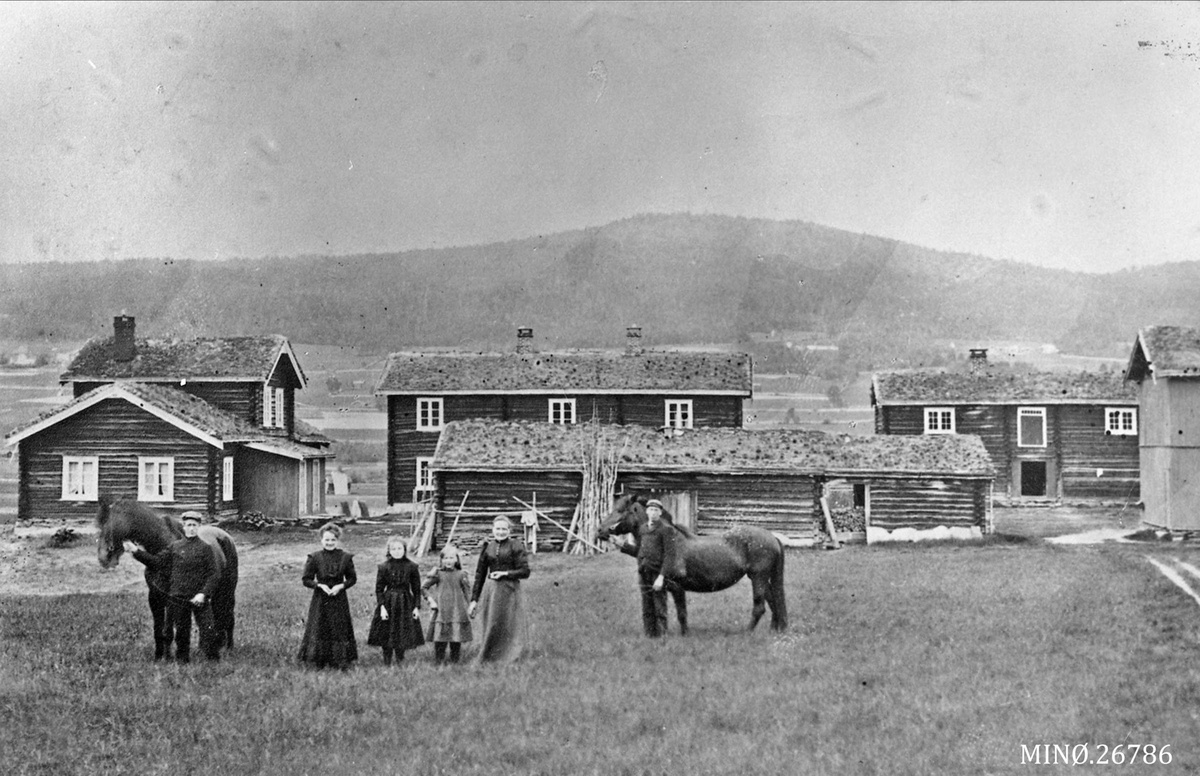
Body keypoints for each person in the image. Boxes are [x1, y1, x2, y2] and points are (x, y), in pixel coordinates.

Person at [131, 511, 221, 663]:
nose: (191, 529)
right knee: (181, 633)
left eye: (194, 525)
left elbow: (214, 574)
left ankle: (213, 663)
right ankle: (182, 662)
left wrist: (203, 594)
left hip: (199, 597)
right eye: (188, 525)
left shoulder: (206, 548)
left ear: (198, 527)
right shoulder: (175, 547)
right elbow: (157, 562)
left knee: (208, 631)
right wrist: (136, 552)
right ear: (184, 528)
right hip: (178, 597)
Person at [469, 515, 531, 663]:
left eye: (504, 529)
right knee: (492, 622)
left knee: (510, 622)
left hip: (510, 589)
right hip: (492, 591)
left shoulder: (516, 545)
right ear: (493, 529)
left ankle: (510, 655)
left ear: (509, 530)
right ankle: (490, 654)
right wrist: (474, 600)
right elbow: (480, 574)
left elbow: (525, 571)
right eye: (498, 528)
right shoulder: (488, 547)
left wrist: (505, 573)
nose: (500, 532)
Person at [298, 523, 358, 670]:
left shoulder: (345, 557)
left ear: (337, 540)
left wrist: (341, 586)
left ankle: (339, 659)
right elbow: (306, 579)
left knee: (339, 627)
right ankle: (319, 659)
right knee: (320, 626)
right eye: (327, 540)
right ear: (321, 540)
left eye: (333, 540)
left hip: (339, 599)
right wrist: (319, 585)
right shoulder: (314, 557)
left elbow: (352, 578)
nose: (330, 543)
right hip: (321, 599)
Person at [366, 536, 425, 666]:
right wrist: (382, 607)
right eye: (394, 549)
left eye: (400, 548)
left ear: (404, 550)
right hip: (389, 602)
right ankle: (387, 660)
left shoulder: (412, 566)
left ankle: (400, 658)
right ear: (389, 551)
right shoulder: (383, 567)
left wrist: (416, 607)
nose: (397, 551)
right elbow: (379, 589)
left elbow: (416, 589)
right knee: (387, 630)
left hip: (405, 601)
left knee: (401, 630)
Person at [422, 544, 473, 665]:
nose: (448, 561)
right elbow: (423, 587)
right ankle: (438, 660)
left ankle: (455, 660)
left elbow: (467, 592)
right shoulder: (437, 574)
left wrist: (471, 606)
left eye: (451, 558)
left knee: (456, 635)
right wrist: (431, 601)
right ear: (441, 560)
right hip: (441, 610)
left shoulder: (461, 574)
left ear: (456, 559)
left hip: (457, 610)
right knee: (440, 636)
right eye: (445, 558)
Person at [637, 498, 678, 638]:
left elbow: (670, 556)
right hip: (644, 572)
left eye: (656, 510)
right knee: (646, 606)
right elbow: (641, 551)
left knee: (659, 606)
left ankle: (662, 637)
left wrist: (661, 577)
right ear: (646, 511)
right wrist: (622, 546)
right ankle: (649, 636)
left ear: (660, 513)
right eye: (651, 510)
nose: (653, 513)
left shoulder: (666, 530)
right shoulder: (643, 529)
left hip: (657, 574)